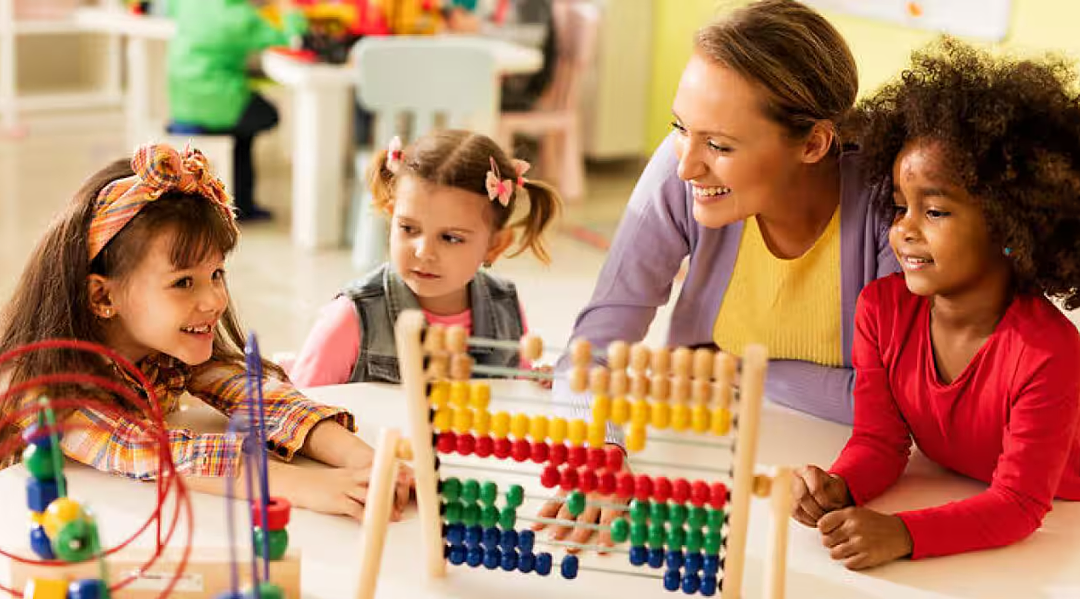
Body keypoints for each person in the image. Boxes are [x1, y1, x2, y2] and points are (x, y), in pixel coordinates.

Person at [536, 0, 898, 548]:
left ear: (815, 144)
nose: (687, 164)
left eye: (720, 145)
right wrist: (599, 449)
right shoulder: (680, 171)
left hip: (842, 477)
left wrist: (729, 372)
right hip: (713, 454)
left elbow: (899, 401)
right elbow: (594, 347)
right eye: (681, 127)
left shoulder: (887, 208)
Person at [0, 143, 412, 521]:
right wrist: (303, 485)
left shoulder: (163, 345)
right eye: (183, 282)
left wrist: (364, 460)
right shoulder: (49, 393)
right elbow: (146, 452)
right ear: (102, 296)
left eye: (216, 273)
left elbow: (251, 391)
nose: (214, 299)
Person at [792, 39, 1080, 569]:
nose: (903, 229)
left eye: (936, 211)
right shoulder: (880, 310)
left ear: (1009, 226)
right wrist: (841, 485)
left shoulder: (1046, 349)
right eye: (901, 206)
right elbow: (879, 441)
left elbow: (1019, 503)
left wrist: (902, 534)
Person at [289, 129, 561, 386]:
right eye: (408, 228)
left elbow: (509, 397)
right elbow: (294, 417)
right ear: (391, 214)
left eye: (450, 238)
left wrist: (534, 383)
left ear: (495, 245)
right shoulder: (351, 320)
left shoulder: (505, 308)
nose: (423, 252)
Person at [167, 0, 306, 221]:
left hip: (182, 102)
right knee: (266, 115)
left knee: (242, 129)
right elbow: (294, 39)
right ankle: (243, 203)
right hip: (221, 104)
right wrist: (289, 8)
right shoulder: (242, 17)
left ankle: (240, 200)